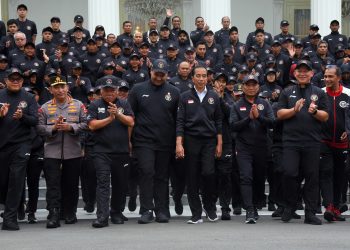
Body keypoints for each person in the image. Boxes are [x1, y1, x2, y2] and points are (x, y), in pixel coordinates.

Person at [277, 60, 329, 225]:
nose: (303, 73)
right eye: (300, 71)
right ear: (295, 73)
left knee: (312, 177)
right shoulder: (287, 92)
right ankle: (290, 207)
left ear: (311, 74)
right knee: (289, 173)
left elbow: (325, 116)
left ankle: (310, 213)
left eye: (306, 71)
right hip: (291, 142)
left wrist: (315, 112)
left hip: (312, 142)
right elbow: (279, 114)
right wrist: (294, 110)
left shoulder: (319, 93)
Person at [128, 59, 180, 224]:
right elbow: (131, 116)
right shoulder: (137, 89)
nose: (158, 77)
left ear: (167, 74)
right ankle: (146, 209)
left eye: (162, 74)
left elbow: (178, 119)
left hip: (165, 141)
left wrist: (178, 141)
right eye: (156, 73)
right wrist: (129, 140)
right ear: (151, 71)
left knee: (162, 176)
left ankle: (162, 209)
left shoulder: (174, 91)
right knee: (146, 172)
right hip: (143, 140)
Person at [37, 75, 87, 228]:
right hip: (52, 151)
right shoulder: (44, 107)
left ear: (67, 88)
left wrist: (71, 127)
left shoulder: (78, 105)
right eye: (56, 87)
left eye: (62, 86)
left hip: (73, 150)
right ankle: (53, 213)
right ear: (51, 90)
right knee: (52, 184)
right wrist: (52, 128)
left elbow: (86, 123)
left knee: (71, 184)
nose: (60, 90)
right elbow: (39, 128)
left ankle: (70, 212)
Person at [176, 66, 222, 224]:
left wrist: (219, 143)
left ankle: (210, 208)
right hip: (191, 140)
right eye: (198, 76)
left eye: (204, 76)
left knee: (209, 173)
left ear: (207, 78)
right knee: (192, 177)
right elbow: (180, 121)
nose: (201, 79)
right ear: (192, 78)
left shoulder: (214, 96)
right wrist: (179, 144)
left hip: (209, 141)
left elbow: (219, 121)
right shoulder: (184, 96)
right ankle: (196, 213)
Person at [87, 76, 134, 228]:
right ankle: (102, 216)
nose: (109, 93)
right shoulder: (95, 105)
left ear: (117, 91)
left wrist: (118, 114)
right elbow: (92, 125)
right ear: (101, 91)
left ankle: (116, 212)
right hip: (101, 151)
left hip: (121, 151)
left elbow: (131, 122)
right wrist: (110, 118)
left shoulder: (124, 103)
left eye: (112, 90)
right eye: (106, 90)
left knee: (120, 183)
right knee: (103, 183)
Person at [230, 74, 274, 224]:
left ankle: (255, 205)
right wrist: (249, 118)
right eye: (248, 85)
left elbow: (272, 123)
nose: (251, 87)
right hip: (243, 148)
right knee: (246, 177)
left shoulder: (265, 104)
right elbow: (233, 126)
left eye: (253, 84)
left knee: (259, 178)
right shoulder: (236, 105)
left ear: (258, 87)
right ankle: (249, 209)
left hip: (261, 147)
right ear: (243, 87)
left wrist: (259, 117)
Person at [0, 68, 38, 230]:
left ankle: (10, 218)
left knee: (16, 179)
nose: (16, 81)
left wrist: (22, 117)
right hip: (2, 145)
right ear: (6, 80)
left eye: (19, 79)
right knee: (3, 181)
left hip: (22, 145)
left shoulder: (28, 97)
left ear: (22, 81)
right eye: (12, 79)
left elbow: (35, 120)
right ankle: (11, 207)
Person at [320, 65, 349, 222]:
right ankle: (329, 206)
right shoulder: (320, 93)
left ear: (339, 77)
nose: (327, 79)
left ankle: (337, 207)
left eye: (331, 76)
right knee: (326, 172)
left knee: (340, 176)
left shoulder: (348, 94)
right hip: (323, 142)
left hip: (343, 144)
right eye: (325, 76)